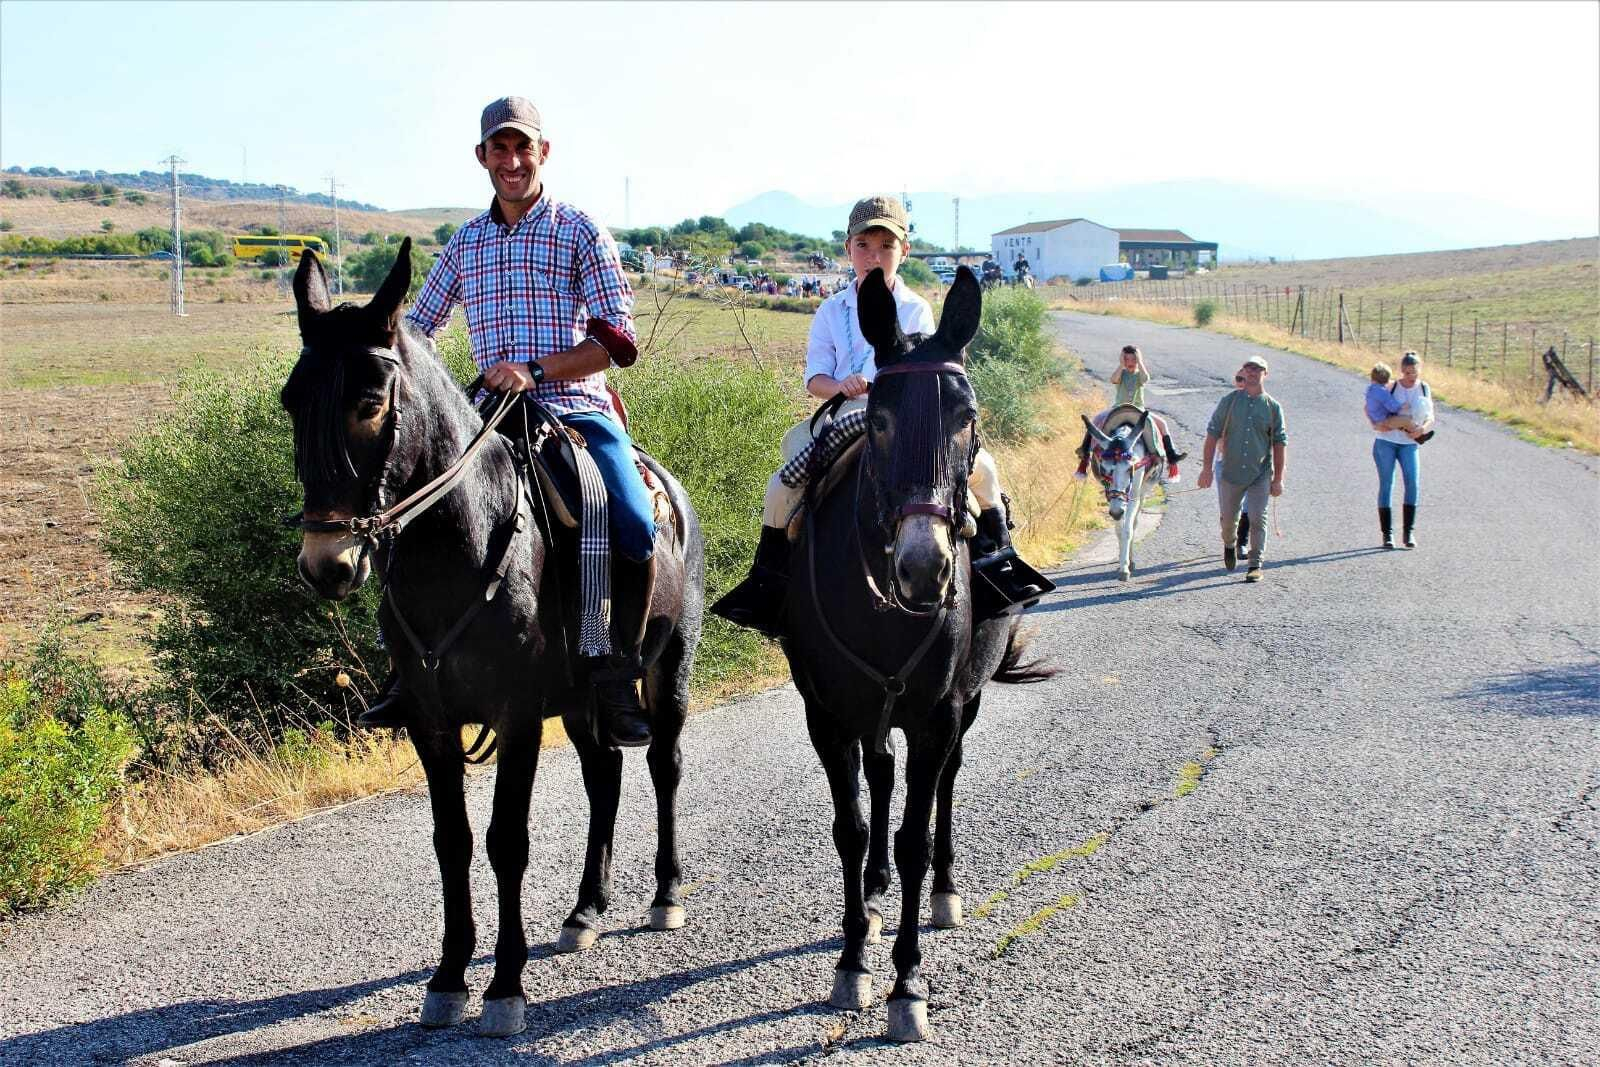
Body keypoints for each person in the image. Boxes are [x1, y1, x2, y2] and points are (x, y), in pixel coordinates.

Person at [382, 95, 656, 747]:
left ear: (543, 152)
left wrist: (536, 368)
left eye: (522, 147)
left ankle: (616, 666)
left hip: (573, 409)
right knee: (406, 505)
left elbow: (618, 340)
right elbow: (416, 332)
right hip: (485, 417)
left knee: (632, 518)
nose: (511, 160)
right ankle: (406, 667)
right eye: (498, 149)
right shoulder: (466, 243)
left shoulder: (579, 229)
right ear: (482, 157)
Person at [712, 195, 1050, 636]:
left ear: (903, 251)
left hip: (908, 418)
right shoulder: (831, 309)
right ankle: (768, 584)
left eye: (885, 247)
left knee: (983, 468)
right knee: (781, 485)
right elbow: (814, 378)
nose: (874, 257)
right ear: (848, 249)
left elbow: (929, 372)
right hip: (845, 413)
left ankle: (999, 565)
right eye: (864, 246)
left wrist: (886, 390)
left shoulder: (916, 308)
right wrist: (842, 386)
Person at [1196, 355, 1287, 582]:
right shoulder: (1229, 402)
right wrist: (1206, 469)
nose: (1253, 372)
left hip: (1260, 473)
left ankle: (1255, 564)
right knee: (1228, 520)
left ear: (1265, 374)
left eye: (1258, 369)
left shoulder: (1273, 408)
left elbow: (1279, 443)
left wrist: (1278, 479)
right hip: (1230, 472)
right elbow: (1211, 435)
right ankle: (1229, 543)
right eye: (1249, 368)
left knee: (1257, 517)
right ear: (1243, 372)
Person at [1074, 344, 1187, 481]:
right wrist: (1121, 365)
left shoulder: (1140, 375)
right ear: (1122, 360)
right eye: (1126, 359)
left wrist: (1140, 362)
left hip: (1139, 410)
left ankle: (1171, 455)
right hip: (1118, 409)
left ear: (1138, 360)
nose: (1130, 363)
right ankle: (1085, 454)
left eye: (1133, 359)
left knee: (1162, 423)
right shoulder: (1121, 373)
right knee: (1096, 421)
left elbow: (1146, 379)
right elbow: (1113, 379)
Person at [1369, 351, 1434, 549]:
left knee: (1412, 482)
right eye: (1406, 373)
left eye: (1413, 372)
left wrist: (1423, 429)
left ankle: (1408, 532)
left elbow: (1431, 417)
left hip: (1409, 443)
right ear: (1401, 371)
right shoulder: (1392, 386)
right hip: (1386, 441)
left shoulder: (1423, 388)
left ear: (1419, 370)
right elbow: (1370, 405)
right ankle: (1387, 534)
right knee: (1387, 483)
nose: (1410, 376)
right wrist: (1376, 423)